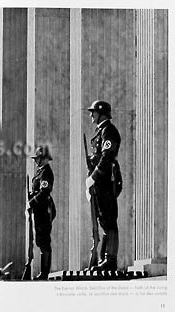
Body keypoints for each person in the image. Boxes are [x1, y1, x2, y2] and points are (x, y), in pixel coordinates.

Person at [85, 100, 122, 271]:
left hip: (107, 182)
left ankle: (110, 260)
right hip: (99, 184)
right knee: (103, 221)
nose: (91, 115)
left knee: (109, 221)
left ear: (101, 113)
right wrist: (90, 184)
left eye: (93, 112)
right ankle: (104, 260)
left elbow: (107, 157)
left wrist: (94, 177)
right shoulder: (100, 132)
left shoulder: (109, 131)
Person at [28, 145, 56, 280]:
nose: (35, 161)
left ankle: (45, 273)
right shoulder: (40, 172)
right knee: (40, 240)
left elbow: (44, 192)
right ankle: (43, 272)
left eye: (37, 158)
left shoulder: (46, 172)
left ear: (43, 159)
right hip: (39, 210)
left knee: (44, 241)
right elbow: (36, 190)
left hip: (44, 210)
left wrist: (31, 202)